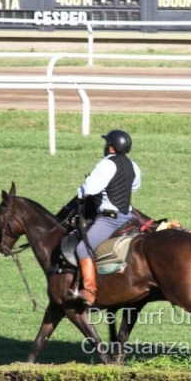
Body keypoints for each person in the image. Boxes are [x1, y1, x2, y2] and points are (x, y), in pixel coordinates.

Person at [68, 129, 141, 307]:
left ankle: (89, 291)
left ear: (111, 147)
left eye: (106, 143)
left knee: (83, 249)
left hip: (110, 220)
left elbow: (89, 189)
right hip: (129, 217)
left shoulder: (106, 164)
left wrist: (80, 197)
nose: (105, 146)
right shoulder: (133, 166)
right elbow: (134, 187)